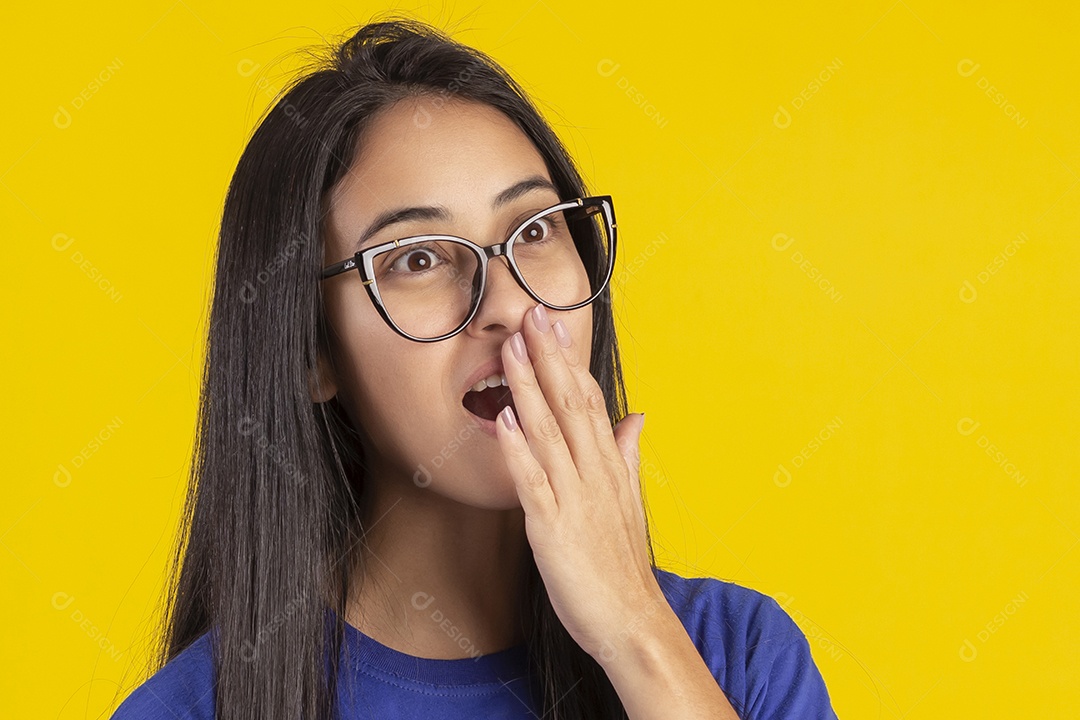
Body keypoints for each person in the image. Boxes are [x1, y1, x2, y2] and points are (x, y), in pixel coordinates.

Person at [111, 16, 838, 720]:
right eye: (418, 258)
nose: (511, 302)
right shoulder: (190, 709)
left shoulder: (736, 658)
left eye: (535, 229)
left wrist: (637, 635)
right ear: (312, 351)